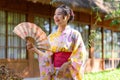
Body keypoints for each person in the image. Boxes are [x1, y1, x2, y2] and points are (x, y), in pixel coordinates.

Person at [26, 4, 87, 80]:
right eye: (55, 14)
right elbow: (47, 57)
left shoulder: (75, 34)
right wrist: (35, 49)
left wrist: (66, 65)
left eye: (59, 14)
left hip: (68, 72)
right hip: (55, 73)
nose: (56, 17)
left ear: (67, 16)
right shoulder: (51, 37)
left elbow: (80, 55)